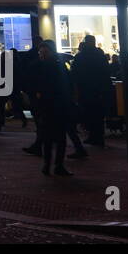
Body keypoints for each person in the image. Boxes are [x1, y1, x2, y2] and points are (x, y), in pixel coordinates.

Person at [30, 41, 73, 176]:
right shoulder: (57, 64)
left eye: (43, 52)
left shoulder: (40, 66)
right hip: (56, 105)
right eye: (40, 52)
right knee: (59, 138)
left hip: (48, 105)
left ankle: (48, 165)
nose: (41, 55)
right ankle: (57, 165)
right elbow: (67, 83)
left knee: (48, 137)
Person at [71, 35, 112, 147]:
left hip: (86, 89)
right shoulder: (100, 55)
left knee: (89, 113)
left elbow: (75, 73)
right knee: (98, 114)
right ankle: (98, 136)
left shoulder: (81, 56)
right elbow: (106, 72)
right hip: (99, 89)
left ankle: (94, 136)